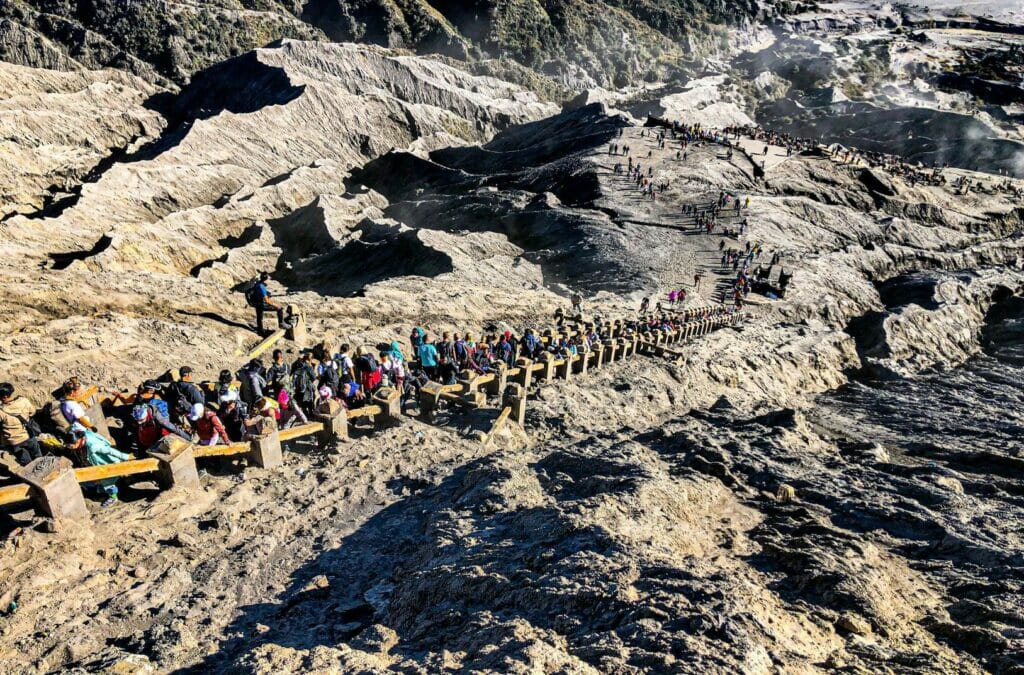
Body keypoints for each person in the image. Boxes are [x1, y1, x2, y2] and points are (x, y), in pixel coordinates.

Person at [66, 426, 131, 508]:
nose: (69, 447)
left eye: (70, 445)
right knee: (88, 482)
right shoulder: (79, 438)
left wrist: (126, 457)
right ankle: (101, 488)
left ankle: (113, 497)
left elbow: (110, 451)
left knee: (107, 482)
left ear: (78, 441)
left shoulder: (93, 445)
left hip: (105, 464)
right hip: (94, 464)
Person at [0, 383, 46, 466]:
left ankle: (33, 477)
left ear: (4, 397)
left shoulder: (1, 411)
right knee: (39, 458)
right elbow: (32, 412)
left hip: (14, 442)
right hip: (28, 435)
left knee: (28, 464)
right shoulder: (24, 401)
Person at [251, 272, 286, 336]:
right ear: (266, 279)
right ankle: (281, 323)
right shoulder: (262, 287)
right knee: (279, 309)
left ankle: (260, 331)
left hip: (256, 303)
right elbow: (266, 300)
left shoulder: (258, 283)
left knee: (259, 317)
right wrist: (275, 305)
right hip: (261, 304)